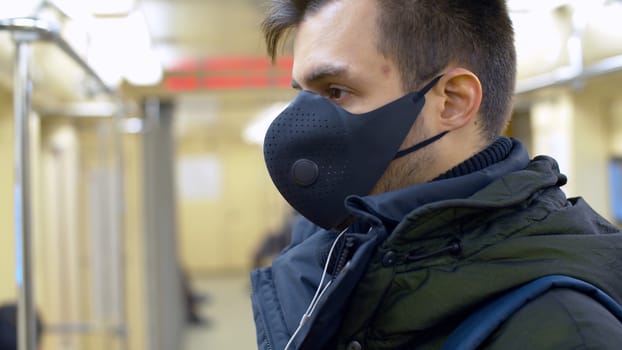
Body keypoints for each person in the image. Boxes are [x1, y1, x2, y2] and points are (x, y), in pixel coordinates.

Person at [250, 0, 622, 349]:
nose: (301, 127)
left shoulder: (565, 331)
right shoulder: (329, 255)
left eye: (336, 91)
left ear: (453, 101)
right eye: (303, 94)